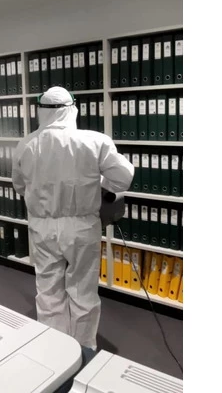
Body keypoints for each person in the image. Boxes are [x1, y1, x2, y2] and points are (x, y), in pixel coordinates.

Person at [12, 86, 134, 351]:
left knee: (48, 290)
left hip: (42, 226)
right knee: (82, 291)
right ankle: (83, 351)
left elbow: (20, 186)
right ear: (72, 109)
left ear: (41, 111)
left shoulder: (26, 145)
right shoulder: (95, 141)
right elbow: (123, 179)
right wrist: (96, 184)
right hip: (82, 227)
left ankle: (56, 352)